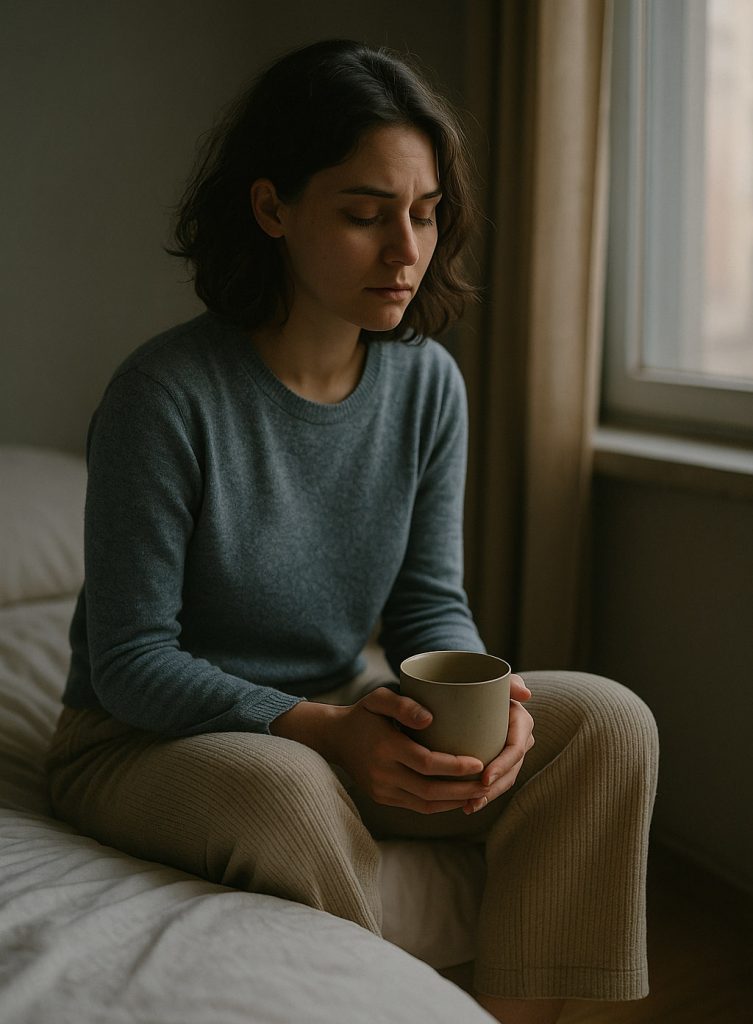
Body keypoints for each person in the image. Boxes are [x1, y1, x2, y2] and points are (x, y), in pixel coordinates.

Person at [46, 39, 659, 1024]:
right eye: (366, 214)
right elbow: (129, 659)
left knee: (607, 724)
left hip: (340, 709)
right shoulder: (164, 395)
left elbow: (427, 604)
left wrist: (485, 707)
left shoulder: (428, 387)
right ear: (272, 209)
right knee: (290, 790)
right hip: (142, 741)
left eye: (424, 214)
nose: (407, 251)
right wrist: (322, 728)